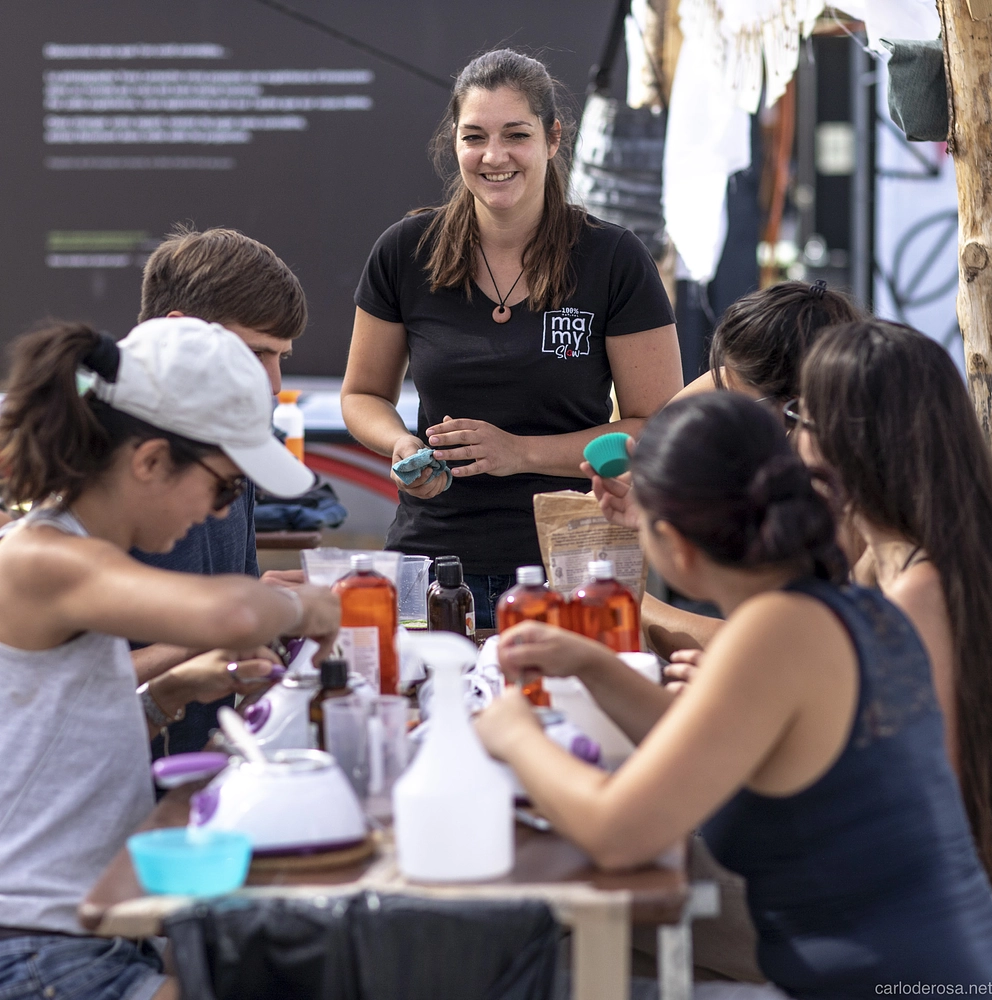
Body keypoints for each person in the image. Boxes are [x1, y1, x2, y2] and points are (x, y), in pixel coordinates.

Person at [477, 393, 992, 994]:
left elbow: (616, 835)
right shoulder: (834, 605)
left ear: (674, 545)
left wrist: (513, 732)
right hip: (936, 968)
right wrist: (592, 664)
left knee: (538, 961)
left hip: (880, 982)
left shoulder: (772, 633)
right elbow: (702, 739)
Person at [0, 316, 340, 1000]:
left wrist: (168, 694)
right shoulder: (40, 558)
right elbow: (232, 614)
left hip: (89, 932)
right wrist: (309, 607)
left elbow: (44, 737)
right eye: (226, 488)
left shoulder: (73, 551)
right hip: (43, 952)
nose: (219, 514)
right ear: (151, 461)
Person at [341, 49, 682, 626]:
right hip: (433, 563)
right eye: (474, 137)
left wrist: (519, 452)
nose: (494, 156)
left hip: (571, 565)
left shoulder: (613, 258)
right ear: (454, 142)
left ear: (553, 139)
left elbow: (657, 429)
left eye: (516, 135)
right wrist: (401, 446)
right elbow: (362, 395)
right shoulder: (405, 250)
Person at [796, 318, 992, 889]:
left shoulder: (916, 592)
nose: (792, 439)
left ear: (848, 442)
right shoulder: (885, 560)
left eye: (801, 417)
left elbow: (928, 794)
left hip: (928, 903)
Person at [587, 279, 863, 658]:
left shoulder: (846, 511)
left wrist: (626, 602)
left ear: (796, 408)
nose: (722, 418)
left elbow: (770, 650)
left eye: (734, 403)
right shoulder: (816, 454)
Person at [131, 226, 309, 755]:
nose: (273, 384)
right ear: (178, 333)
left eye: (281, 358)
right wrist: (232, 620)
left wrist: (263, 615)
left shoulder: (233, 447)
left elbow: (226, 641)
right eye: (255, 353)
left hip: (198, 773)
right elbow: (56, 684)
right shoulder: (80, 490)